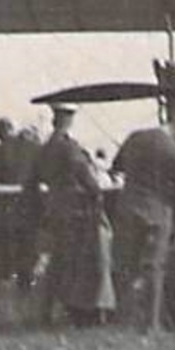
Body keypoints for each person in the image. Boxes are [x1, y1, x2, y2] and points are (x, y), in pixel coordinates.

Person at [25, 104, 109, 326]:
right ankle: (74, 313)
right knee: (74, 264)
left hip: (53, 210)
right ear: (68, 121)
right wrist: (96, 193)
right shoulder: (70, 148)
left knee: (56, 262)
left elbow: (31, 182)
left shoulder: (43, 149)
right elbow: (88, 180)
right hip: (75, 212)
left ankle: (46, 312)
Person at [111, 111, 175, 332]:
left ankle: (124, 319)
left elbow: (116, 166)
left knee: (126, 266)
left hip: (128, 209)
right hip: (157, 213)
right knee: (154, 267)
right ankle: (152, 323)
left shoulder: (135, 137)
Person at [0, 117, 40, 294]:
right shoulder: (32, 150)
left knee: (0, 254)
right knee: (26, 252)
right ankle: (25, 287)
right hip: (27, 210)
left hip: (3, 213)